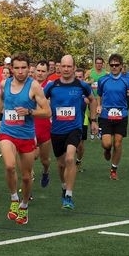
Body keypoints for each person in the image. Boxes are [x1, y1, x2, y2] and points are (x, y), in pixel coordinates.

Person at [0, 53, 50, 225]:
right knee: (9, 166)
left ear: (28, 68)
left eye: (24, 67)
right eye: (17, 68)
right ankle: (14, 199)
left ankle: (24, 205)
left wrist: (30, 111)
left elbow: (47, 112)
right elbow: (1, 100)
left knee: (25, 176)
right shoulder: (5, 83)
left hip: (26, 135)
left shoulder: (34, 87)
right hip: (7, 132)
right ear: (11, 69)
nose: (20, 71)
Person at [44, 55, 98, 210]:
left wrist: (93, 120)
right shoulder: (52, 86)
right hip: (56, 130)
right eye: (64, 66)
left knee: (69, 158)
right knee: (61, 165)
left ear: (74, 68)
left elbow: (93, 100)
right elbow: (40, 99)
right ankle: (63, 185)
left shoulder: (82, 85)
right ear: (59, 67)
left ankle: (68, 195)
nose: (66, 69)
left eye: (69, 66)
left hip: (75, 128)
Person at [97, 53, 129, 180]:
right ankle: (106, 149)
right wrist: (99, 105)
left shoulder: (127, 80)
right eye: (112, 65)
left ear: (121, 66)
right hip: (105, 115)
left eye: (117, 65)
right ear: (109, 66)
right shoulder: (103, 79)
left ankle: (114, 169)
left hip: (122, 115)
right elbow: (99, 94)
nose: (114, 67)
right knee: (107, 143)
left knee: (118, 143)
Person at [32, 60, 53, 187]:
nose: (40, 73)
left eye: (43, 71)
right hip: (30, 125)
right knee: (31, 157)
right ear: (34, 71)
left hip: (45, 126)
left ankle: (46, 172)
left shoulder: (51, 85)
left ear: (47, 73)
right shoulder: (28, 84)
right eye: (38, 70)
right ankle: (29, 182)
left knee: (45, 160)